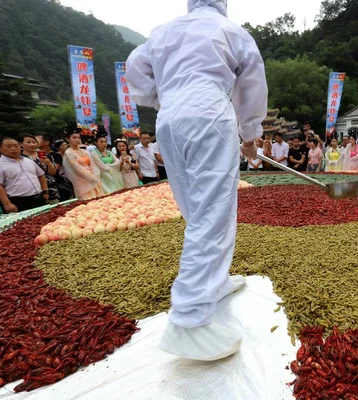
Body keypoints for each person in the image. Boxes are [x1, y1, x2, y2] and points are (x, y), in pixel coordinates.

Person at [125, 0, 268, 361]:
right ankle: (189, 318)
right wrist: (249, 136)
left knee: (194, 205)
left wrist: (161, 97)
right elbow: (252, 87)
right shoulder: (231, 31)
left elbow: (135, 68)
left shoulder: (163, 32)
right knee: (213, 213)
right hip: (208, 113)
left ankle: (214, 283)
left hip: (170, 118)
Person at [0, 136, 49, 213]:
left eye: (16, 146)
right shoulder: (1, 164)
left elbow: (41, 175)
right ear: (1, 149)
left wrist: (45, 191)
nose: (13, 148)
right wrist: (7, 204)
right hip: (17, 201)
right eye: (8, 146)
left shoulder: (28, 161)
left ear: (20, 147)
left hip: (38, 198)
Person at [62, 131, 104, 200]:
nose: (77, 139)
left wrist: (95, 175)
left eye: (78, 137)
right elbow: (77, 168)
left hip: (92, 177)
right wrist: (91, 178)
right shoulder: (68, 152)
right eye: (74, 138)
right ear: (68, 139)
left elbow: (92, 164)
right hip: (81, 180)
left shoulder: (84, 151)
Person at [20, 133, 60, 203]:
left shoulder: (46, 155)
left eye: (34, 142)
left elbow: (53, 173)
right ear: (21, 144)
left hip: (50, 188)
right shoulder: (20, 158)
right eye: (28, 142)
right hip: (32, 191)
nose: (32, 144)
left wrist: (48, 163)